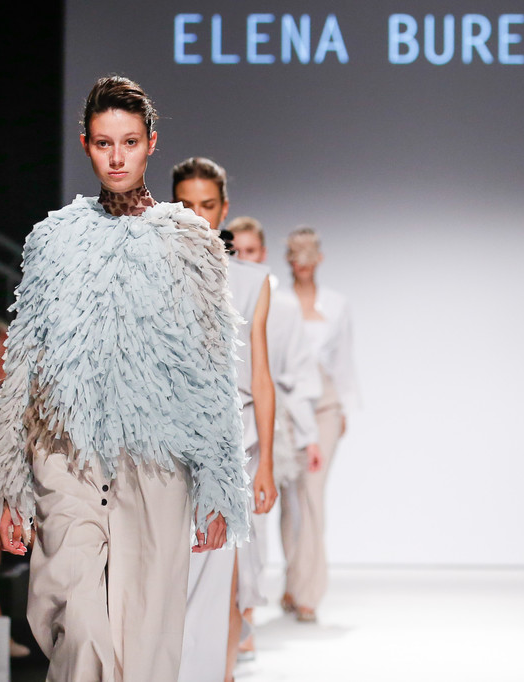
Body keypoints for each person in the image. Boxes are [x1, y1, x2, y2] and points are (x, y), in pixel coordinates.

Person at [0, 76, 250, 682]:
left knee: (145, 638)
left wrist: (218, 483)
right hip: (66, 454)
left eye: (129, 142)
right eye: (104, 143)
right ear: (86, 145)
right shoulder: (54, 240)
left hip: (157, 460)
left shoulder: (190, 243)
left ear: (151, 142)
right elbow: (24, 359)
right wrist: (7, 479)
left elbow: (212, 368)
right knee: (74, 622)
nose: (117, 157)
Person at [171, 158, 277, 682]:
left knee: (223, 575)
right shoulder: (154, 274)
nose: (198, 215)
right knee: (175, 575)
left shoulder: (252, 281)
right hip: (167, 444)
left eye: (207, 205)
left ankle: (218, 672)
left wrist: (267, 465)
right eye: (186, 205)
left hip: (234, 447)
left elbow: (261, 376)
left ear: (224, 209)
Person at [227, 215, 323, 643]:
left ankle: (249, 611)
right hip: (226, 419)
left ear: (263, 255)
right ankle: (235, 616)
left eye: (250, 251)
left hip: (270, 420)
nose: (243, 258)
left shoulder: (281, 307)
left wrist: (306, 433)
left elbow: (297, 371)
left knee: (260, 518)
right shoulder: (214, 296)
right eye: (237, 250)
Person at [277, 227, 359, 622]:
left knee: (312, 493)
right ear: (288, 259)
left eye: (309, 255)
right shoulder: (277, 301)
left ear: (320, 258)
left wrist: (343, 408)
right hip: (286, 404)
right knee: (289, 500)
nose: (303, 263)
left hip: (324, 403)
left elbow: (343, 359)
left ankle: (309, 591)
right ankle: (293, 581)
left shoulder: (337, 304)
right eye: (297, 255)